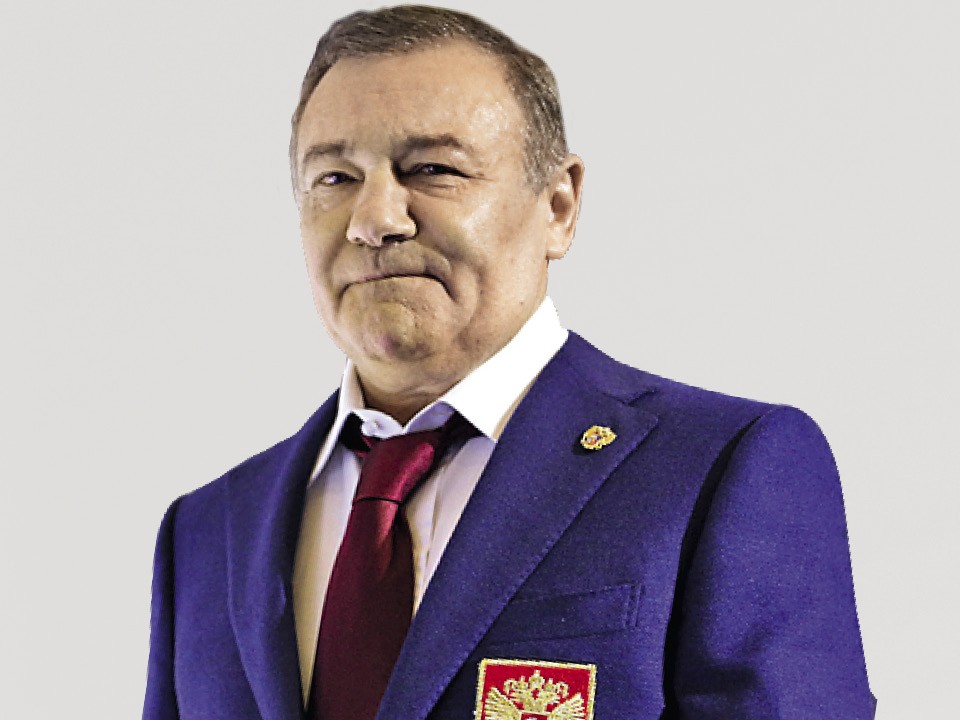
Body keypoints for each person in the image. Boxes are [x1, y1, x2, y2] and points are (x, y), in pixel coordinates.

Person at [142, 6, 875, 719]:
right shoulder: (206, 533)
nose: (374, 220)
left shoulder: (721, 468)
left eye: (432, 168)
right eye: (335, 178)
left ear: (558, 207)